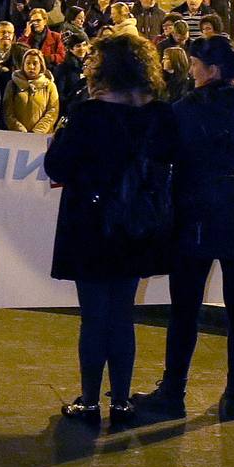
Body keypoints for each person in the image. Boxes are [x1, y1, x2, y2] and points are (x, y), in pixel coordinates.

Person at [130, 39, 234, 422]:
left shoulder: (181, 112)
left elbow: (155, 163)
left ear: (213, 71)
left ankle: (173, 391)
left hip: (194, 225)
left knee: (184, 311)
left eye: (198, 64)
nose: (193, 70)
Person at [44, 31, 178, 428]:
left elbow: (57, 167)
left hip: (90, 224)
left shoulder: (87, 114)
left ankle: (89, 401)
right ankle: (120, 400)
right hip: (137, 225)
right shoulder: (160, 115)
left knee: (94, 316)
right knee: (122, 313)